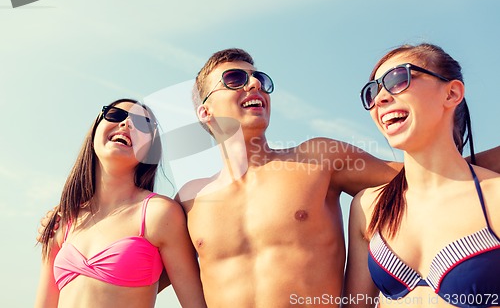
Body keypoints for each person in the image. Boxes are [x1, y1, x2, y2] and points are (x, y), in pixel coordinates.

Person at [38, 51, 500, 308]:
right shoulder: (188, 202)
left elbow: (425, 176)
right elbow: (128, 273)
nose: (255, 86)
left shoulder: (319, 158)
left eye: (260, 79)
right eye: (236, 79)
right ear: (205, 112)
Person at [343, 43, 500, 308]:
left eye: (398, 79)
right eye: (372, 92)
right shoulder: (367, 207)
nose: (380, 98)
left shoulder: (494, 197)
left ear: (451, 93)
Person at [35, 99, 206, 308]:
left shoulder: (160, 213)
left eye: (143, 124)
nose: (126, 124)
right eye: (115, 115)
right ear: (95, 130)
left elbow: (196, 304)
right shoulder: (63, 221)